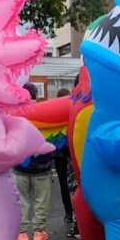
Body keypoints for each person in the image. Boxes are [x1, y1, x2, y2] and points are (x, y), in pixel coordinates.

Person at [14, 83, 53, 240]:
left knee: (21, 200)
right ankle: (39, 231)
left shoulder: (14, 114)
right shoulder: (46, 112)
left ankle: (21, 233)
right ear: (36, 95)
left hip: (19, 166)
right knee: (40, 200)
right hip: (42, 166)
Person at [52, 88, 74, 223]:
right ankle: (75, 214)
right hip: (70, 153)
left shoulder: (53, 112)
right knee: (75, 185)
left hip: (58, 154)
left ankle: (68, 213)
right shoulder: (73, 109)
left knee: (63, 184)